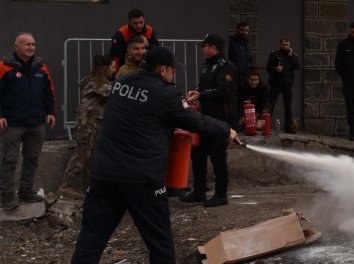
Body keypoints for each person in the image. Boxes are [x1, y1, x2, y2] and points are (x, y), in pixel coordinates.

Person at [70, 46, 237, 264]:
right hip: (142, 180)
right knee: (161, 245)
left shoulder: (121, 83)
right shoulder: (165, 94)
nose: (174, 74)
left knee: (90, 240)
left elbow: (143, 111)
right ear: (162, 70)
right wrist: (226, 130)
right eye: (172, 70)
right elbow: (195, 121)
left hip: (105, 175)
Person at [0, 32, 56, 210]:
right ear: (16, 46)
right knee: (9, 160)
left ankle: (26, 191)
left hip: (36, 123)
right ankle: (7, 195)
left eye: (33, 44)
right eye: (27, 45)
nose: (31, 47)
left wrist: (50, 112)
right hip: (12, 123)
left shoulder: (41, 67)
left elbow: (49, 91)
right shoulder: (4, 67)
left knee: (32, 158)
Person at [180, 34, 237, 208]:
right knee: (198, 154)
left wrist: (202, 95)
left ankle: (221, 195)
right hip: (205, 118)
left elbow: (223, 92)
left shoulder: (226, 67)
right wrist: (195, 92)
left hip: (221, 119)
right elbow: (204, 88)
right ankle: (199, 191)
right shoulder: (209, 67)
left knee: (217, 156)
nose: (202, 49)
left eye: (204, 46)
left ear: (212, 48)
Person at [57, 55, 113, 199]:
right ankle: (66, 185)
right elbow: (115, 94)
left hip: (94, 123)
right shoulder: (98, 83)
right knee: (82, 154)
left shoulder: (95, 81)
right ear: (105, 68)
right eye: (112, 67)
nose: (114, 70)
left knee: (91, 157)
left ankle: (90, 187)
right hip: (87, 123)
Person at [266, 38, 300, 133]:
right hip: (276, 83)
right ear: (280, 45)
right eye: (284, 44)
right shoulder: (274, 54)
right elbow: (268, 68)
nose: (285, 46)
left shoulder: (292, 55)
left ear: (290, 45)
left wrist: (291, 56)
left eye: (287, 45)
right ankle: (266, 127)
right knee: (271, 104)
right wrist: (275, 69)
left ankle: (289, 128)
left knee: (288, 106)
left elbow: (297, 66)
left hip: (287, 85)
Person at [109, 8, 158, 73]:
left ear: (144, 20)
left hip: (146, 67)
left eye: (141, 22)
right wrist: (114, 75)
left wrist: (148, 44)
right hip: (126, 66)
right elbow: (114, 57)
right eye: (135, 23)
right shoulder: (121, 33)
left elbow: (158, 51)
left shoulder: (150, 31)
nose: (139, 26)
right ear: (130, 22)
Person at [227, 22, 252, 87]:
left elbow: (249, 58)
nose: (244, 32)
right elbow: (226, 57)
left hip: (245, 76)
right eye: (242, 30)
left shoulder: (247, 43)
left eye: (246, 30)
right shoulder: (230, 40)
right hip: (233, 75)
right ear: (237, 30)